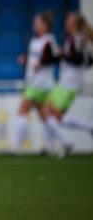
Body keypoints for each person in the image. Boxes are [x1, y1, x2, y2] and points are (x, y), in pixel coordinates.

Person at [42, 12, 93, 157]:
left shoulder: (78, 38)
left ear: (75, 24)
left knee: (55, 117)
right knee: (47, 111)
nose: (66, 22)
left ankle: (65, 143)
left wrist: (62, 54)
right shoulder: (75, 38)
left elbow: (79, 59)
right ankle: (51, 147)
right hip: (64, 82)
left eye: (69, 20)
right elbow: (87, 61)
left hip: (70, 84)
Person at [15, 10, 60, 154]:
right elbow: (38, 59)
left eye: (38, 22)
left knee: (22, 111)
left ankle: (18, 147)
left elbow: (54, 58)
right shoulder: (36, 40)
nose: (35, 24)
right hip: (34, 82)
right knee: (44, 116)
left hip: (39, 84)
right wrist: (26, 61)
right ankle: (52, 146)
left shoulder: (48, 40)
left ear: (45, 25)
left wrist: (41, 63)